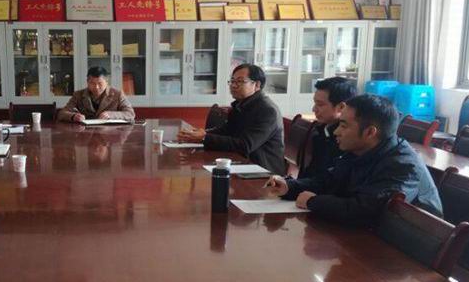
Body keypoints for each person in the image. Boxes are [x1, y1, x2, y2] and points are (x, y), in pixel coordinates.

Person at [265, 94, 442, 225]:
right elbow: (328, 181)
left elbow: (365, 211)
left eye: (344, 126)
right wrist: (290, 186)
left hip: (403, 253)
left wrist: (313, 202)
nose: (336, 131)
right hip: (366, 237)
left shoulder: (402, 165)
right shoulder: (359, 150)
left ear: (370, 132)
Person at [177, 64, 286, 175]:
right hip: (242, 162)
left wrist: (204, 138)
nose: (233, 85)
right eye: (232, 81)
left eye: (240, 81)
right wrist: (201, 134)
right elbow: (228, 130)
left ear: (257, 85)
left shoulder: (267, 111)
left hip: (264, 172)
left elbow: (245, 145)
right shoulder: (241, 104)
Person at [299, 77, 356, 179]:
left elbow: (330, 181)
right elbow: (312, 172)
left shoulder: (348, 140)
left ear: (341, 107)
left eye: (320, 104)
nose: (314, 109)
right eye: (315, 103)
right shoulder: (321, 131)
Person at [57, 66, 135, 123]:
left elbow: (130, 114)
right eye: (92, 83)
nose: (96, 87)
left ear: (107, 82)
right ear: (87, 82)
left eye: (100, 83)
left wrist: (110, 115)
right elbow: (62, 113)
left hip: (110, 135)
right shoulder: (78, 95)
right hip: (85, 134)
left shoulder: (117, 94)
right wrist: (74, 116)